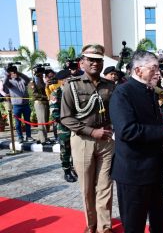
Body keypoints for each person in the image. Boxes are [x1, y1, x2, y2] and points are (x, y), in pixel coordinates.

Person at [110, 50, 163, 233]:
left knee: (160, 221)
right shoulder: (122, 93)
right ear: (139, 70)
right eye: (154, 68)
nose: (158, 72)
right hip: (133, 173)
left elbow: (152, 126)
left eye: (159, 68)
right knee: (134, 225)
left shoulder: (150, 91)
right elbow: (127, 131)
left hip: (153, 171)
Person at [61, 44, 115, 233]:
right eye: (90, 59)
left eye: (98, 60)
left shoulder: (110, 85)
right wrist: (92, 132)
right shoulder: (71, 85)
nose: (95, 63)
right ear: (82, 62)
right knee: (86, 187)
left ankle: (105, 227)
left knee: (105, 186)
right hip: (83, 140)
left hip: (106, 141)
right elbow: (65, 117)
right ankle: (91, 225)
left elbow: (116, 111)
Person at [50, 70, 77, 183]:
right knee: (65, 150)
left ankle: (74, 167)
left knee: (75, 149)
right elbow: (55, 113)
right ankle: (66, 171)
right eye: (68, 78)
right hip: (63, 127)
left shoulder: (74, 91)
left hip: (75, 126)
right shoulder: (56, 93)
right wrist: (68, 121)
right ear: (62, 81)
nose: (70, 80)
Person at [3, 64, 34, 143]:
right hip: (17, 106)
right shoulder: (9, 82)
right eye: (12, 72)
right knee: (17, 123)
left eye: (14, 72)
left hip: (26, 105)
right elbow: (4, 83)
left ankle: (28, 136)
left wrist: (19, 73)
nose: (14, 73)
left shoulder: (21, 80)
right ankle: (20, 137)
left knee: (28, 122)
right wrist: (7, 73)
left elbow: (27, 79)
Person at [31, 66, 50, 144]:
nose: (41, 74)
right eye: (39, 72)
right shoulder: (34, 81)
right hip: (39, 102)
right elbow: (35, 94)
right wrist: (46, 96)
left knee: (45, 120)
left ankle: (40, 138)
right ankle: (43, 139)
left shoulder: (41, 80)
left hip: (45, 102)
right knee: (42, 121)